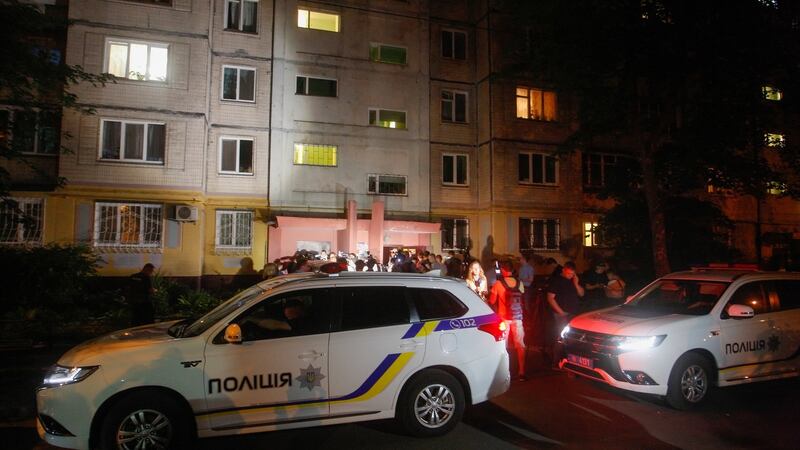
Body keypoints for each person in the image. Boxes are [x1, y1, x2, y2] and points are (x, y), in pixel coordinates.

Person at [489, 260, 527, 381]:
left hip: (503, 318)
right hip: (518, 317)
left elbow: (492, 301)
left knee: (503, 345)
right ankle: (522, 371)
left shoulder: (498, 284)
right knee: (520, 345)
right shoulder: (519, 283)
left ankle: (505, 372)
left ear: (503, 270)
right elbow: (522, 297)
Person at [546, 261, 584, 366]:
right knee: (561, 337)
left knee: (572, 338)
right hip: (561, 314)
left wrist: (576, 283)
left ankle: (570, 360)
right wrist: (561, 312)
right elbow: (550, 298)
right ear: (563, 270)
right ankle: (556, 362)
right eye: (568, 273)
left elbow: (581, 293)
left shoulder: (573, 281)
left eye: (572, 274)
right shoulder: (556, 280)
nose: (570, 276)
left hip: (573, 313)